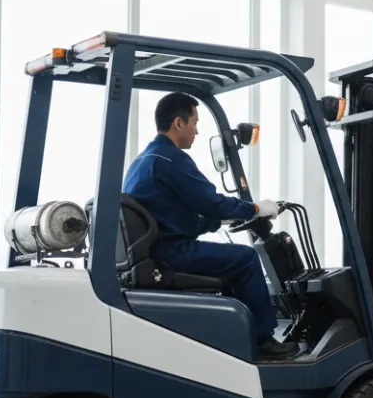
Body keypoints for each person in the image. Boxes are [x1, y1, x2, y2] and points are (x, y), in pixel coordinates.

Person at [123, 92, 298, 361]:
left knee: (232, 258)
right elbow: (210, 201)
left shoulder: (143, 161)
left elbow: (174, 216)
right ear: (178, 123)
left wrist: (221, 220)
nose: (197, 130)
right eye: (194, 122)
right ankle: (262, 341)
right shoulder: (171, 159)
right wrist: (254, 209)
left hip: (159, 248)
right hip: (172, 252)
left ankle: (239, 331)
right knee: (247, 259)